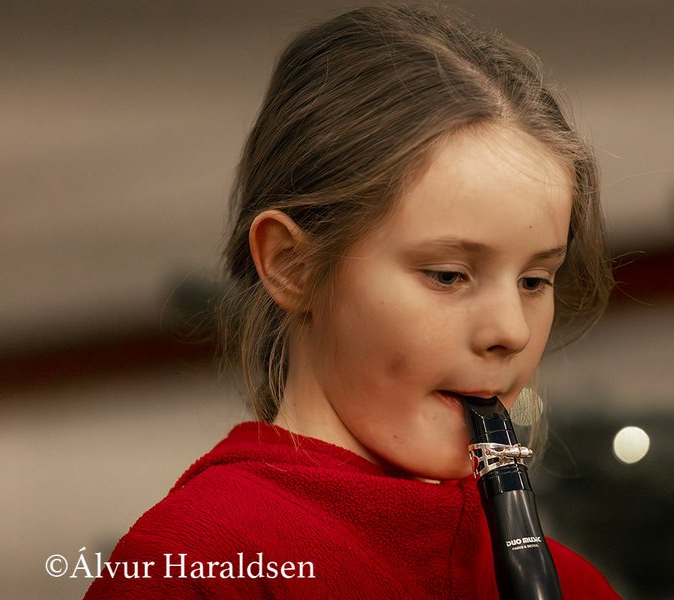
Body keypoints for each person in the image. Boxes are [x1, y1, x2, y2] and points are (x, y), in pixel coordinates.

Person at [84, 4, 619, 598]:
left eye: (534, 281)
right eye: (447, 275)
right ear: (293, 265)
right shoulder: (194, 566)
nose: (511, 331)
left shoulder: (574, 584)